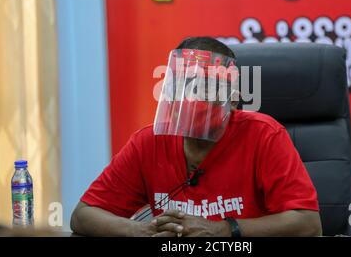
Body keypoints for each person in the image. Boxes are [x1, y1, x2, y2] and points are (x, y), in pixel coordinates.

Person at [70, 37, 322, 237]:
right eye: (184, 86)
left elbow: (308, 224)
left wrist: (224, 230)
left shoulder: (265, 135)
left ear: (233, 99)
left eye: (206, 88)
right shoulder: (149, 141)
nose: (193, 98)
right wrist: (139, 231)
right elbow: (83, 216)